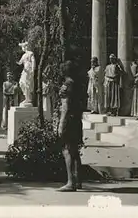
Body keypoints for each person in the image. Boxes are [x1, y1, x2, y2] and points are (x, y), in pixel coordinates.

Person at [57, 60, 83, 192]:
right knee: (75, 151)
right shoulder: (78, 84)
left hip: (69, 119)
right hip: (77, 119)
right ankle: (78, 180)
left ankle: (70, 181)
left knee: (67, 150)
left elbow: (65, 106)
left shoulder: (67, 85)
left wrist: (61, 124)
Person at [17, 42, 36, 106]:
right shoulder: (24, 55)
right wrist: (17, 62)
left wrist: (33, 70)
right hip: (25, 70)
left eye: (23, 47)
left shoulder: (30, 53)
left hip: (29, 69)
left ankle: (28, 98)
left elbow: (33, 61)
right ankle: (26, 97)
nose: (22, 48)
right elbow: (20, 62)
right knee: (21, 82)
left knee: (27, 83)